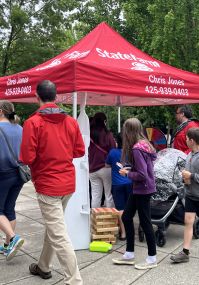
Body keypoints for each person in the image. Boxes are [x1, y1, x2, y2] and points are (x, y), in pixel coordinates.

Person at [20, 80, 85, 284]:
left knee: (58, 233)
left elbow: (26, 157)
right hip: (67, 183)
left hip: (48, 184)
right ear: (56, 97)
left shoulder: (33, 123)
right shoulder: (71, 121)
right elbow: (79, 151)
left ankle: (74, 280)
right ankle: (43, 266)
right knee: (54, 227)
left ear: (36, 97)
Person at [112, 118, 157, 270]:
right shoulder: (144, 144)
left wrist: (127, 174)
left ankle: (152, 258)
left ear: (128, 131)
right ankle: (129, 254)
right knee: (126, 216)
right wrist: (131, 170)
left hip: (142, 188)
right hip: (141, 188)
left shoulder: (137, 148)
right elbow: (144, 170)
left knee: (145, 222)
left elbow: (143, 174)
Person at [170, 128, 199, 263]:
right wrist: (185, 178)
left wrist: (192, 176)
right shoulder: (190, 155)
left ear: (192, 140)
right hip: (190, 194)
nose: (185, 140)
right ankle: (185, 252)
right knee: (188, 222)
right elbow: (189, 174)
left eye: (186, 138)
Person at [0, 100, 24, 261]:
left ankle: (13, 237)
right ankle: (8, 245)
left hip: (2, 173)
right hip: (20, 174)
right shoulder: (20, 128)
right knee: (9, 208)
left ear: (1, 111)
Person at [105, 133, 132, 240]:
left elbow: (106, 165)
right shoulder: (131, 153)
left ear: (117, 141)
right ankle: (130, 231)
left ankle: (123, 233)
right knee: (129, 208)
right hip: (130, 183)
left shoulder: (112, 152)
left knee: (120, 208)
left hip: (117, 185)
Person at [89, 112, 116, 208]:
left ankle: (94, 219)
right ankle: (109, 219)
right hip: (106, 168)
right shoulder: (108, 134)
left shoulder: (88, 134)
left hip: (92, 169)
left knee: (95, 196)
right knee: (108, 195)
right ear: (104, 121)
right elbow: (112, 151)